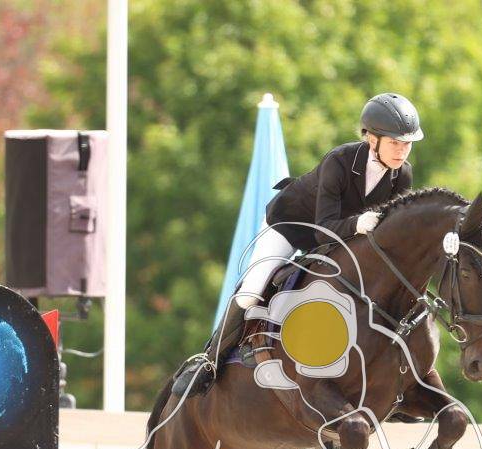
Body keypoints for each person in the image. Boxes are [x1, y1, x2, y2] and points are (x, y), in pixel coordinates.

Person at [173, 93, 422, 397]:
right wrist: (358, 224)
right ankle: (208, 363)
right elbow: (323, 229)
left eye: (407, 144)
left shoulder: (402, 175)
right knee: (253, 290)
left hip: (340, 239)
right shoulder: (340, 162)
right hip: (290, 225)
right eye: (395, 142)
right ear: (372, 139)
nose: (402, 150)